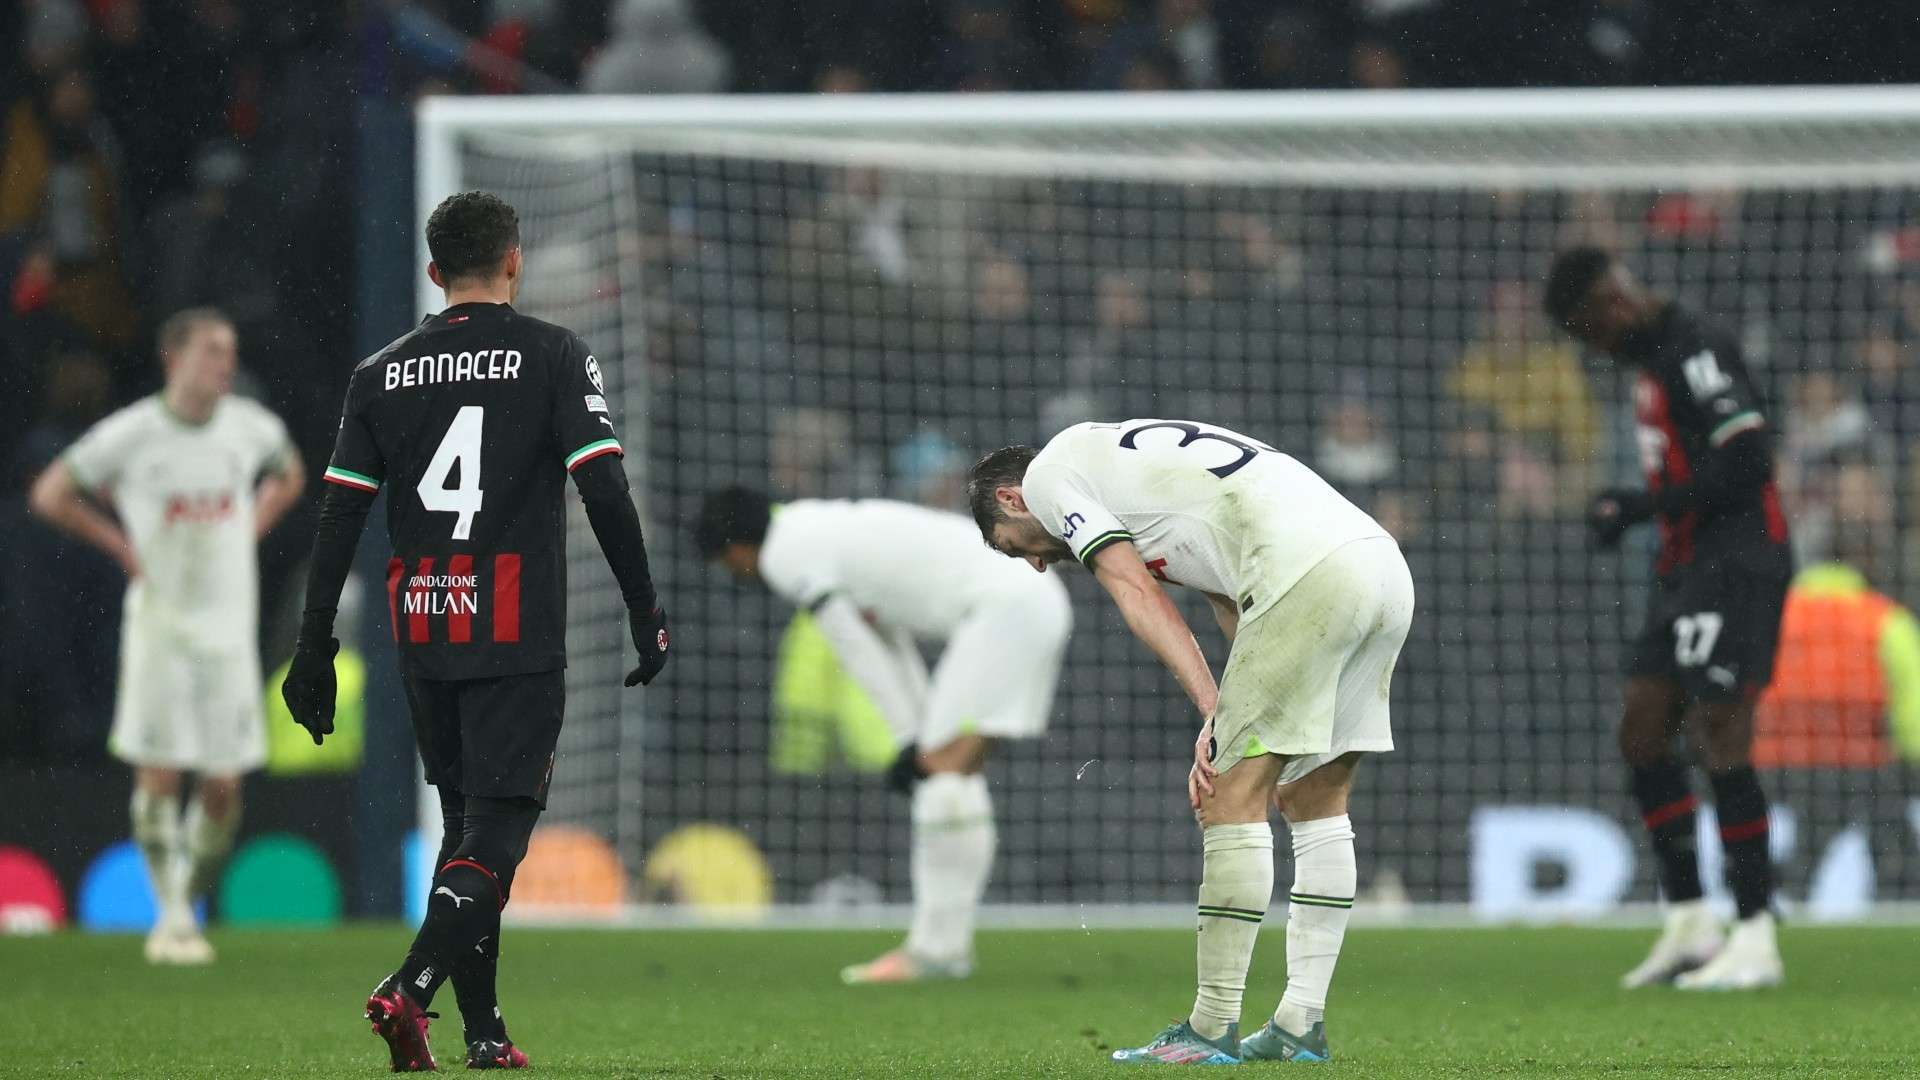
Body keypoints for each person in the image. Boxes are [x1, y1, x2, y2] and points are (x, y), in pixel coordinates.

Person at [279, 192, 670, 1071]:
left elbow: (340, 515)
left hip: (423, 618)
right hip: (512, 621)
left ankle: (484, 1033)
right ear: (514, 260)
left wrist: (314, 643)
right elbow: (604, 490)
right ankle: (410, 988)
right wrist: (644, 607)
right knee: (498, 831)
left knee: (464, 829)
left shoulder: (381, 372)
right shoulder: (554, 355)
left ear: (432, 272)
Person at [968, 419, 1413, 1065]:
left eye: (1012, 547)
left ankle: (1210, 1027)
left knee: (1229, 799)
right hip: (1377, 566)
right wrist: (1228, 711)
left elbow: (1134, 589)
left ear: (1011, 500)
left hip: (1303, 572)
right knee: (1314, 798)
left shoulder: (1050, 478)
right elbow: (1229, 601)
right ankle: (1298, 1024)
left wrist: (1216, 712)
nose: (1036, 562)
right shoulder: (1122, 468)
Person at [692, 487, 1072, 983]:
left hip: (1004, 611)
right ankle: (945, 948)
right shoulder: (815, 522)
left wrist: (910, 743)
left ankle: (935, 953)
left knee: (940, 775)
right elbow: (884, 632)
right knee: (951, 776)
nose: (735, 573)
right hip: (1032, 600)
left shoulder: (786, 555)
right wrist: (913, 738)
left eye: (727, 563)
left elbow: (854, 645)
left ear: (736, 548)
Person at [1544, 246, 1792, 991]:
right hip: (1683, 569)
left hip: (1740, 562)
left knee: (1721, 734)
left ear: (1612, 304)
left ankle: (1755, 935)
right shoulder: (1654, 361)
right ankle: (1691, 924)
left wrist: (1641, 506)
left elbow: (1750, 460)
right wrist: (1635, 509)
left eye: (1592, 332)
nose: (1597, 349)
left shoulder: (1696, 347)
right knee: (1643, 730)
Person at [27, 308, 305, 964]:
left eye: (230, 352)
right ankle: (173, 914)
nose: (225, 364)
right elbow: (50, 493)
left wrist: (251, 528)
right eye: (212, 351)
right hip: (160, 627)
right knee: (158, 774)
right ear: (173, 358)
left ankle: (186, 896)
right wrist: (121, 547)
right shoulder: (130, 434)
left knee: (223, 788)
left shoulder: (252, 427)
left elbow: (289, 473)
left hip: (228, 633)